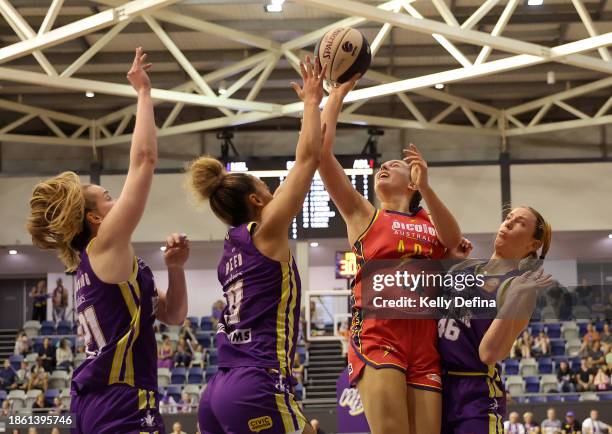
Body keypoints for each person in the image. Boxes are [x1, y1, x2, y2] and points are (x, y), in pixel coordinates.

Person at [26, 47, 189, 434]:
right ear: (96, 219)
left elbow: (174, 316)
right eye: (109, 197)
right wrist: (144, 93)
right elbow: (145, 159)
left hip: (98, 401)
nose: (119, 199)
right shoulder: (102, 248)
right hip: (121, 399)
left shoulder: (108, 266)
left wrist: (175, 270)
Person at [319, 73, 462, 433]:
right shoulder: (365, 214)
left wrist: (427, 188)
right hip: (379, 333)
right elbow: (319, 155)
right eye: (382, 166)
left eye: (394, 165)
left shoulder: (431, 220)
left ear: (413, 181)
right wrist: (335, 97)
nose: (384, 166)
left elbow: (454, 238)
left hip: (424, 340)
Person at [195, 56, 326, 434]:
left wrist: (326, 103)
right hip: (256, 381)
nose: (274, 190)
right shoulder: (266, 231)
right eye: (266, 187)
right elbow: (308, 159)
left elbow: (304, 160)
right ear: (255, 200)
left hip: (218, 390)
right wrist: (312, 102)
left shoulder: (231, 247)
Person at [439, 206, 553, 434]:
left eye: (519, 222)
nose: (508, 223)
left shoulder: (519, 287)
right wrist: (446, 263)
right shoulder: (462, 269)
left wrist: (512, 300)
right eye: (508, 218)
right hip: (436, 383)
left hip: (475, 394)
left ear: (533, 245)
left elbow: (489, 353)